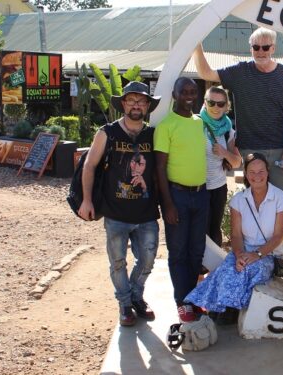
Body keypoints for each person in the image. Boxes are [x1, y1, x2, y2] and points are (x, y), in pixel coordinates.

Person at [78, 81, 161, 326]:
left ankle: (136, 295)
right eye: (131, 100)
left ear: (147, 106)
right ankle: (125, 304)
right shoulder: (107, 133)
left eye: (141, 101)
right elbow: (89, 166)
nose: (136, 105)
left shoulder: (152, 134)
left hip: (146, 212)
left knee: (147, 259)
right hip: (115, 212)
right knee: (117, 262)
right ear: (123, 103)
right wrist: (86, 199)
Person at [193, 27, 283, 201]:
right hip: (249, 149)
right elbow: (205, 73)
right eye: (256, 47)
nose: (261, 52)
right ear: (250, 48)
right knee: (254, 201)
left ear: (273, 48)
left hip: (279, 149)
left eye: (265, 47)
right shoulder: (239, 72)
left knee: (282, 202)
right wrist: (196, 44)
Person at [185, 153, 283, 318]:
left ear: (268, 172)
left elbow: (278, 236)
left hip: (269, 254)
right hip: (244, 250)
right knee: (226, 269)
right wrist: (240, 255)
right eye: (252, 172)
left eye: (261, 171)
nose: (257, 176)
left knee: (249, 270)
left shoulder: (280, 198)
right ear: (246, 175)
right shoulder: (239, 200)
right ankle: (215, 307)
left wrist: (257, 254)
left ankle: (230, 310)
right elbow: (236, 235)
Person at [155, 77, 209, 323]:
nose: (189, 95)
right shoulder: (166, 125)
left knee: (196, 251)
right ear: (175, 95)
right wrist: (167, 204)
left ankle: (193, 299)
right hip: (176, 195)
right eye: (183, 92)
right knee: (178, 252)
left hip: (201, 194)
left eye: (192, 91)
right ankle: (182, 302)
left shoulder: (199, 123)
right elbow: (159, 168)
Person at [201, 86, 242, 246]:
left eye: (220, 104)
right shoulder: (195, 124)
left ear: (226, 106)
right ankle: (198, 269)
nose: (216, 107)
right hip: (198, 186)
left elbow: (237, 162)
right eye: (211, 103)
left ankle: (214, 269)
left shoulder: (228, 131)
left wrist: (224, 152)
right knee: (200, 229)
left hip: (218, 186)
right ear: (205, 103)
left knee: (214, 229)